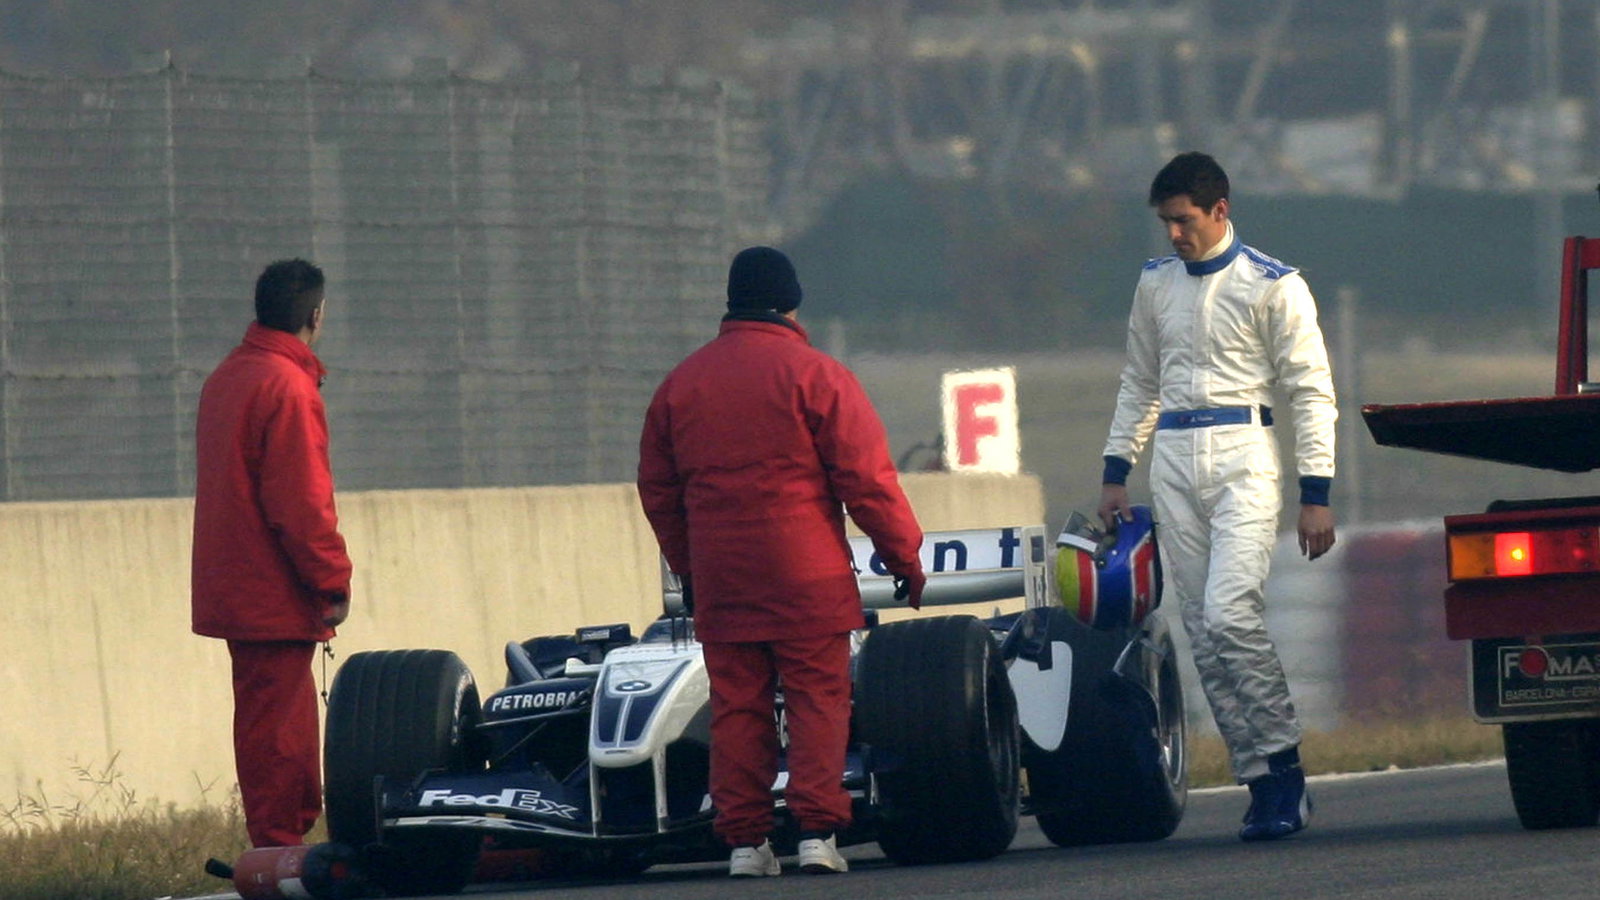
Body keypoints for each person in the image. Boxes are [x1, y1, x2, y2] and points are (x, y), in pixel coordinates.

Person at [637, 246, 926, 877]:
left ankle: (745, 844)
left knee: (737, 706)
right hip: (807, 573)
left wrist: (688, 563)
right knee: (817, 698)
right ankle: (817, 836)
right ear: (791, 304)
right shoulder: (817, 375)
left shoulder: (680, 385)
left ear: (732, 302)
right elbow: (866, 479)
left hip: (723, 578)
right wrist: (901, 554)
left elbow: (657, 489)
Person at [1097, 152, 1337, 842]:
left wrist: (1315, 492)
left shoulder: (1274, 285)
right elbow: (1139, 382)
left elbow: (1312, 392)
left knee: (1232, 614)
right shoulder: (1155, 286)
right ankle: (1259, 780)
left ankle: (1286, 769)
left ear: (1219, 210)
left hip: (1244, 457)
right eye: (1165, 222)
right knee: (1202, 632)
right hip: (1172, 458)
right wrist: (1116, 472)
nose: (1173, 233)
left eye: (1183, 220)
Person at [191, 258, 353, 848]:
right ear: (315, 315)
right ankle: (281, 852)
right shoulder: (286, 386)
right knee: (282, 730)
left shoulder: (228, 376)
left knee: (262, 724)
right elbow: (302, 502)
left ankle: (275, 843)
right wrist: (331, 582)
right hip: (273, 588)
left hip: (236, 583)